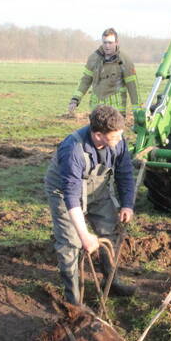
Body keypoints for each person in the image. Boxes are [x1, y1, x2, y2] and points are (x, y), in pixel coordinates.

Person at [45, 105, 137, 306]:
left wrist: (127, 205)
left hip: (98, 190)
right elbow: (71, 197)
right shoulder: (73, 150)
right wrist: (84, 235)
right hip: (64, 193)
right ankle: (74, 302)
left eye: (121, 135)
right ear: (97, 135)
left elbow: (125, 173)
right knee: (72, 243)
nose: (120, 141)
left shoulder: (118, 141)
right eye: (114, 137)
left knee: (109, 232)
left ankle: (111, 282)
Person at [66, 28, 138, 119]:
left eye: (110, 42)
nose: (107, 46)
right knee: (96, 134)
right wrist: (75, 99)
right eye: (104, 42)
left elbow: (133, 88)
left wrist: (137, 111)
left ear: (116, 42)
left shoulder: (125, 61)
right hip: (96, 111)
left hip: (115, 113)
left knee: (113, 134)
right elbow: (85, 81)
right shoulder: (94, 58)